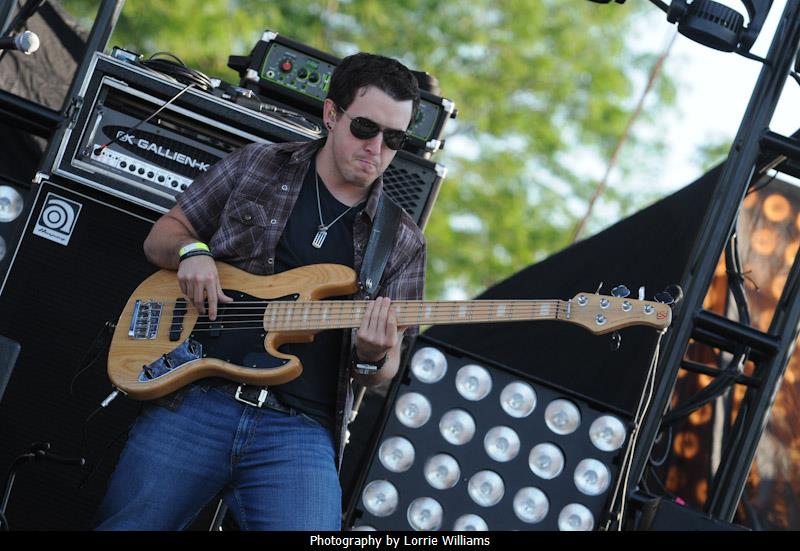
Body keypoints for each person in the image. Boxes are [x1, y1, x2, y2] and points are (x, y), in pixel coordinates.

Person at [96, 52, 426, 531]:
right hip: (198, 396)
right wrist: (192, 252)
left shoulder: (402, 240)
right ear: (331, 114)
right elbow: (162, 236)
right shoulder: (259, 164)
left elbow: (383, 371)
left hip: (298, 431)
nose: (377, 147)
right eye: (365, 128)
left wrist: (375, 355)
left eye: (394, 138)